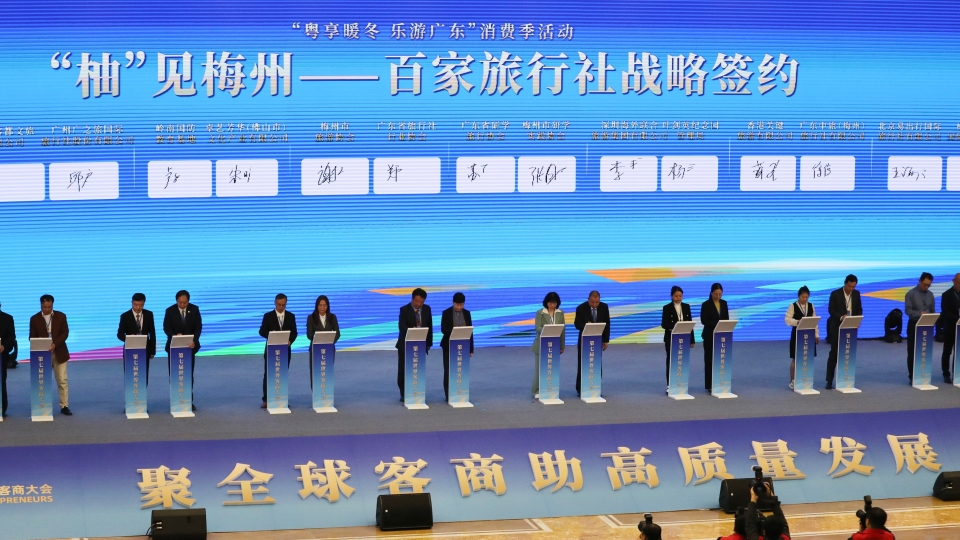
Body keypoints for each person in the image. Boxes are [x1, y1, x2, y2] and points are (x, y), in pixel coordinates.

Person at [28, 295, 71, 415]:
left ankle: (64, 406)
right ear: (41, 305)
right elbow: (31, 337)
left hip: (59, 352)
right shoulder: (34, 319)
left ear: (52, 305)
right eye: (44, 307)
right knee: (43, 381)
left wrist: (54, 344)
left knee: (62, 380)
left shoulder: (61, 316)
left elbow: (65, 333)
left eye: (49, 307)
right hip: (42, 354)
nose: (47, 309)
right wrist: (42, 344)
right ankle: (42, 406)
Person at [163, 290, 202, 409]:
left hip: (190, 348)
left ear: (188, 301)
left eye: (185, 302)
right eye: (180, 302)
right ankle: (175, 399)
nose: (182, 305)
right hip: (174, 348)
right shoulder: (170, 311)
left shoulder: (194, 309)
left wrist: (194, 340)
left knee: (188, 374)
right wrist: (175, 336)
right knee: (175, 374)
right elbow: (166, 328)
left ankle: (188, 400)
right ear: (176, 301)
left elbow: (198, 327)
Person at [258, 293, 298, 409]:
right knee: (268, 374)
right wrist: (272, 335)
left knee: (282, 374)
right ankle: (266, 399)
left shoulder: (291, 316)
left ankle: (282, 398)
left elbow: (294, 332)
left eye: (283, 305)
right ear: (275, 303)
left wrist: (290, 341)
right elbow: (261, 331)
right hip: (271, 350)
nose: (281, 307)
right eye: (279, 304)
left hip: (285, 350)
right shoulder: (268, 316)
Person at [826, 275, 863, 390]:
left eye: (853, 287)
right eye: (849, 286)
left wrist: (857, 320)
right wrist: (842, 317)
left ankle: (846, 379)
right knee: (834, 354)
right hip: (837, 327)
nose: (851, 289)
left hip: (850, 329)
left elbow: (859, 309)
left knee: (848, 354)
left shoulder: (856, 294)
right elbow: (831, 310)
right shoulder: (835, 294)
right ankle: (829, 381)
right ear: (845, 283)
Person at [396, 288, 433, 401]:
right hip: (405, 344)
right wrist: (413, 332)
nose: (419, 304)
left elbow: (429, 326)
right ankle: (404, 393)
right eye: (417, 301)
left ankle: (417, 391)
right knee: (403, 369)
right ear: (412, 299)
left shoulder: (427, 309)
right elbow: (401, 326)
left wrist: (428, 343)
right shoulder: (404, 310)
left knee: (418, 369)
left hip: (420, 345)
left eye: (421, 302)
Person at [573, 290, 610, 396]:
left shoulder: (604, 307)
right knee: (582, 364)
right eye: (592, 302)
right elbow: (577, 324)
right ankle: (580, 389)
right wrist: (587, 326)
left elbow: (607, 324)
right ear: (588, 299)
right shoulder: (581, 308)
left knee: (596, 364)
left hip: (597, 340)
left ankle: (595, 387)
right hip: (584, 341)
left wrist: (605, 340)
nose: (594, 305)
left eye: (597, 302)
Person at [117, 292, 157, 387]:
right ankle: (130, 394)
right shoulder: (125, 316)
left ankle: (142, 394)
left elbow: (152, 333)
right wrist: (130, 338)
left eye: (140, 305)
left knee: (144, 373)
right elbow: (119, 334)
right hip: (130, 349)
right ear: (131, 303)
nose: (138, 307)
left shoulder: (149, 314)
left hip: (145, 349)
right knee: (130, 374)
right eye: (135, 305)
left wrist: (152, 351)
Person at [440, 292, 473, 401]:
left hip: (463, 346)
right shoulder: (446, 313)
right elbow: (443, 329)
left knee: (461, 369)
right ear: (453, 302)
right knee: (448, 370)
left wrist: (471, 349)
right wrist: (455, 332)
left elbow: (470, 332)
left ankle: (460, 392)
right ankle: (448, 394)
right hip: (448, 345)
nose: (459, 307)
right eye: (457, 305)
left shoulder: (467, 313)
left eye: (461, 305)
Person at [532, 292, 565, 398]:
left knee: (552, 368)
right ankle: (536, 391)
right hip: (541, 344)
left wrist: (562, 345)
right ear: (546, 302)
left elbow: (562, 330)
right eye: (550, 303)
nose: (552, 305)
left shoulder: (560, 313)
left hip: (554, 345)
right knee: (539, 369)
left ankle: (550, 389)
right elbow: (537, 328)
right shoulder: (540, 313)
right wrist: (548, 330)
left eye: (554, 303)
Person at [785, 286, 818, 390]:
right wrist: (797, 322)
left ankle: (805, 380)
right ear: (799, 296)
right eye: (803, 297)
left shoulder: (811, 306)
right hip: (797, 335)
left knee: (807, 358)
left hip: (809, 335)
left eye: (806, 297)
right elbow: (787, 320)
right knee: (796, 358)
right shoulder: (793, 306)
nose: (805, 299)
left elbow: (814, 321)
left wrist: (816, 335)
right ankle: (792, 381)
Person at [661, 286, 694, 389]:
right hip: (671, 338)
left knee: (682, 360)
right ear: (671, 296)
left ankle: (681, 383)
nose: (678, 298)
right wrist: (676, 326)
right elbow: (664, 324)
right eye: (676, 296)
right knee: (671, 360)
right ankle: (670, 385)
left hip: (684, 338)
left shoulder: (686, 306)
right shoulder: (667, 308)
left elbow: (690, 324)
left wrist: (692, 339)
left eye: (680, 296)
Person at [905, 272, 935, 383]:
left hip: (927, 326)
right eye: (925, 284)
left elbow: (932, 310)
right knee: (912, 351)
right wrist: (919, 314)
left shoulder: (930, 295)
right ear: (920, 281)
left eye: (928, 285)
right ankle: (912, 376)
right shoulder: (911, 293)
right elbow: (908, 310)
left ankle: (924, 374)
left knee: (925, 350)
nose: (926, 287)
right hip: (914, 324)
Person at [306, 295, 340, 392]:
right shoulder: (311, 318)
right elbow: (309, 334)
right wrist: (319, 340)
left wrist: (329, 342)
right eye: (320, 305)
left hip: (329, 350)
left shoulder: (332, 317)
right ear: (317, 306)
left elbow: (337, 333)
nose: (322, 307)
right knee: (315, 372)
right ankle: (316, 394)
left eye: (324, 305)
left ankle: (327, 394)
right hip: (315, 350)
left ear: (327, 306)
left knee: (327, 371)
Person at [700, 283, 729, 393]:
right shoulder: (706, 304)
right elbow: (704, 320)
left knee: (720, 360)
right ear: (711, 293)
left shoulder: (724, 303)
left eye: (720, 294)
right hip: (709, 335)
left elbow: (726, 319)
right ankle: (710, 385)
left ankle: (720, 382)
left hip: (721, 336)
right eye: (716, 294)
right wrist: (717, 325)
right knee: (709, 360)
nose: (718, 296)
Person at [939, 273, 960, 384]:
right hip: (950, 327)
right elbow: (945, 312)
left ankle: (956, 373)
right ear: (954, 281)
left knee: (958, 352)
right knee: (947, 351)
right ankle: (946, 374)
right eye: (959, 282)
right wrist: (957, 319)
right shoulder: (946, 295)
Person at [0, 302, 17, 417]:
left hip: (1, 354)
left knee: (1, 381)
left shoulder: (8, 318)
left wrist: (4, 346)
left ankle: (2, 408)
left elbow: (11, 337)